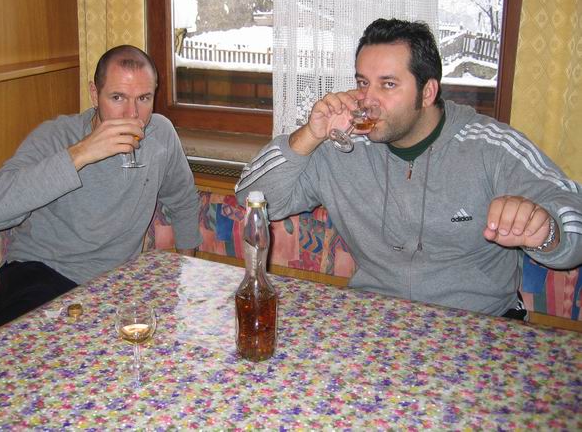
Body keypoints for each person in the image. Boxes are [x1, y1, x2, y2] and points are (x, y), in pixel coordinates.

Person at [236, 18, 582, 318]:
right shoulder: (342, 147)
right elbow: (254, 199)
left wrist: (547, 233)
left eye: (388, 84)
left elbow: (573, 214)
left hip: (479, 325)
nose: (367, 99)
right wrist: (309, 135)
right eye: (362, 82)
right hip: (375, 321)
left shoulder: (491, 147)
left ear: (427, 92)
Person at [0, 45, 201, 326]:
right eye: (117, 97)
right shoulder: (57, 136)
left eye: (143, 98)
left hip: (114, 285)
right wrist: (81, 153)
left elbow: (183, 201)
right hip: (42, 274)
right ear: (94, 94)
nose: (132, 114)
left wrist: (184, 277)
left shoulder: (160, 135)